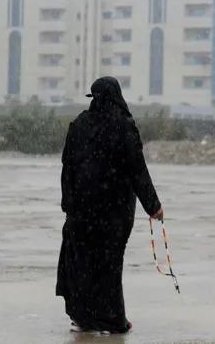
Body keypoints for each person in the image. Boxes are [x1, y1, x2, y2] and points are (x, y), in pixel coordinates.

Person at [56, 77, 164, 334]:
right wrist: (154, 206)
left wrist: (69, 205)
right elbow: (138, 170)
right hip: (113, 212)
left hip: (82, 211)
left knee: (82, 262)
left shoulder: (79, 125)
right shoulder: (124, 127)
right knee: (109, 264)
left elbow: (67, 169)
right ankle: (113, 320)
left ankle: (83, 317)